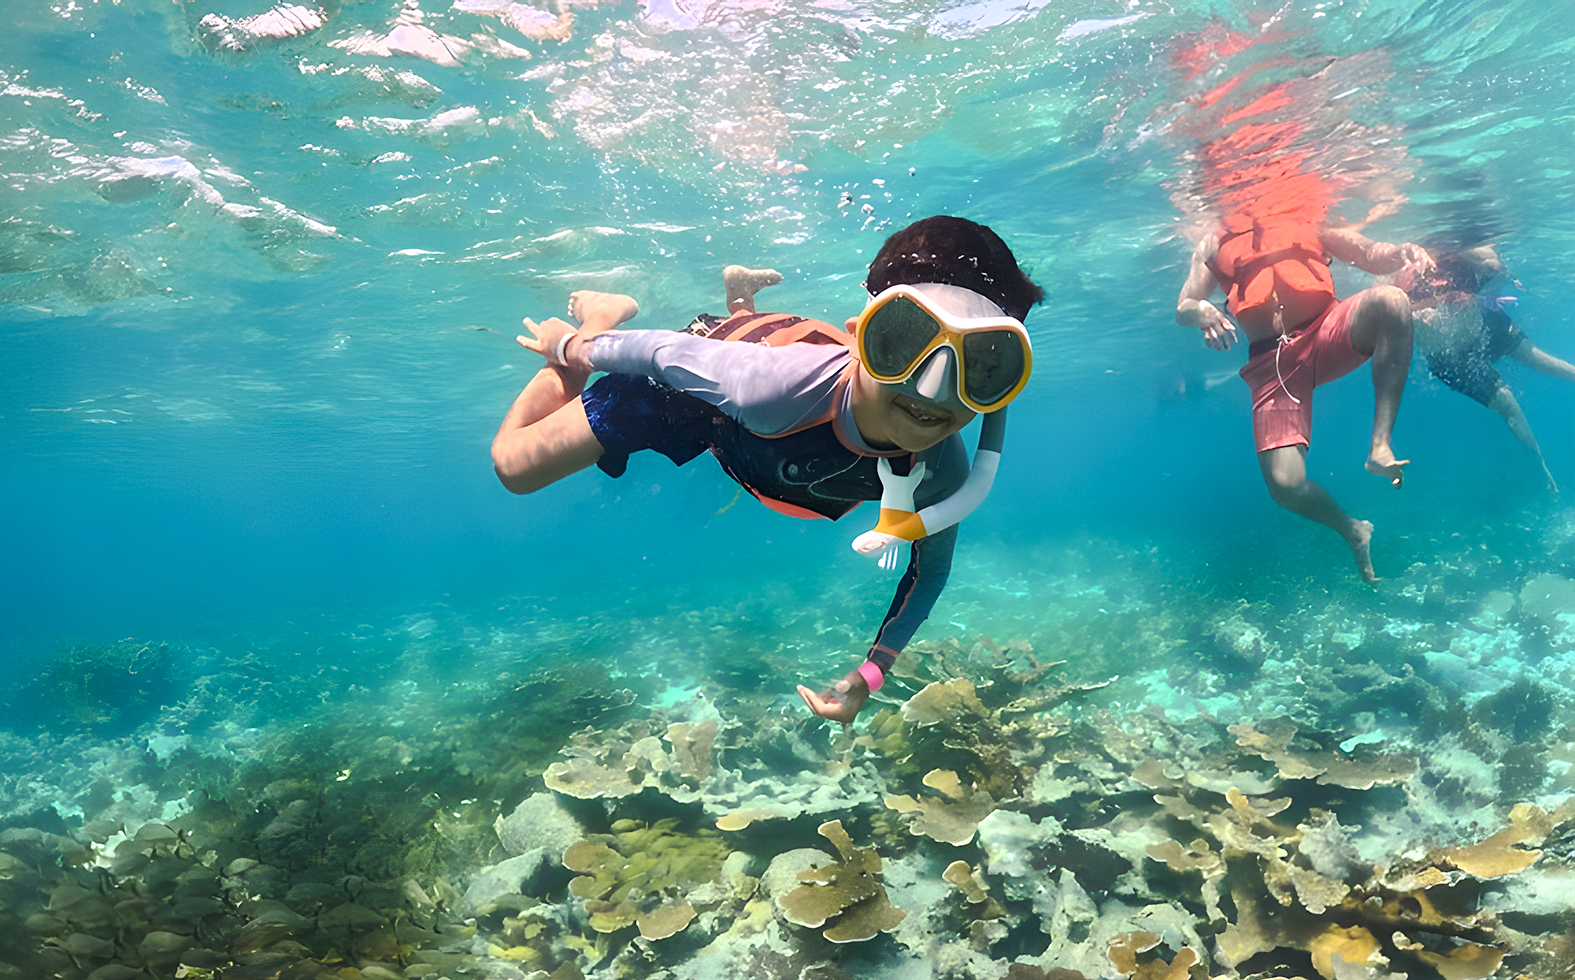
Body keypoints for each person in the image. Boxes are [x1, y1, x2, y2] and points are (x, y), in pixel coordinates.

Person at [492, 216, 1044, 724]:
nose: (931, 394)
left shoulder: (942, 474)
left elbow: (930, 573)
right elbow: (660, 353)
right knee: (513, 466)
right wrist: (570, 346)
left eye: (984, 364)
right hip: (703, 391)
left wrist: (870, 676)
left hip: (776, 374)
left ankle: (743, 295)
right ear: (860, 339)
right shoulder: (766, 388)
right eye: (900, 345)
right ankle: (608, 310)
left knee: (756, 341)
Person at [1175, 217, 1433, 583]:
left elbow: (1366, 253)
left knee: (1392, 301)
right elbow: (1183, 306)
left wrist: (1399, 253)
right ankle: (1352, 529)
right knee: (1285, 486)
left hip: (1327, 330)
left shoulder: (1304, 213)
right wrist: (1200, 311)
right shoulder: (1213, 241)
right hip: (1272, 364)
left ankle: (1380, 446)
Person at [1400, 246, 1571, 493]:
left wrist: (1498, 280)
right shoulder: (1412, 275)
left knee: (1539, 360)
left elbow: (1496, 270)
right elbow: (1392, 306)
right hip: (1451, 356)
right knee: (1507, 402)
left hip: (1481, 320)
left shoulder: (1473, 263)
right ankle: (1539, 467)